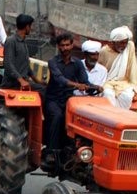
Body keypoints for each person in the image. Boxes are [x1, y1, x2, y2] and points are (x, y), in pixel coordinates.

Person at [43, 33, 101, 167]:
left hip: (70, 100)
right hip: (53, 99)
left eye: (68, 45)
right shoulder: (53, 62)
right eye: (62, 45)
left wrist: (94, 87)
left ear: (72, 45)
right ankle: (50, 152)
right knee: (57, 116)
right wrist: (76, 85)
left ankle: (75, 151)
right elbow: (59, 79)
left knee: (79, 120)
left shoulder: (78, 64)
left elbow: (84, 81)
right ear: (58, 47)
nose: (65, 48)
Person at [98, 26, 137, 109]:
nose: (124, 45)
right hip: (107, 82)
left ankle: (121, 117)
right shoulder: (104, 51)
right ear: (113, 42)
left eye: (125, 42)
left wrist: (135, 88)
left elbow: (133, 68)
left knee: (127, 96)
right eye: (121, 43)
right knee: (108, 94)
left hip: (123, 83)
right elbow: (99, 70)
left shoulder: (129, 47)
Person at [1, 14, 44, 92]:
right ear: (27, 27)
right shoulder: (11, 41)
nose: (32, 29)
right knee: (42, 90)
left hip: (23, 81)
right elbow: (8, 64)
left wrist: (37, 80)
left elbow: (26, 66)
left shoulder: (23, 42)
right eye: (31, 26)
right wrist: (21, 80)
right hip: (12, 83)